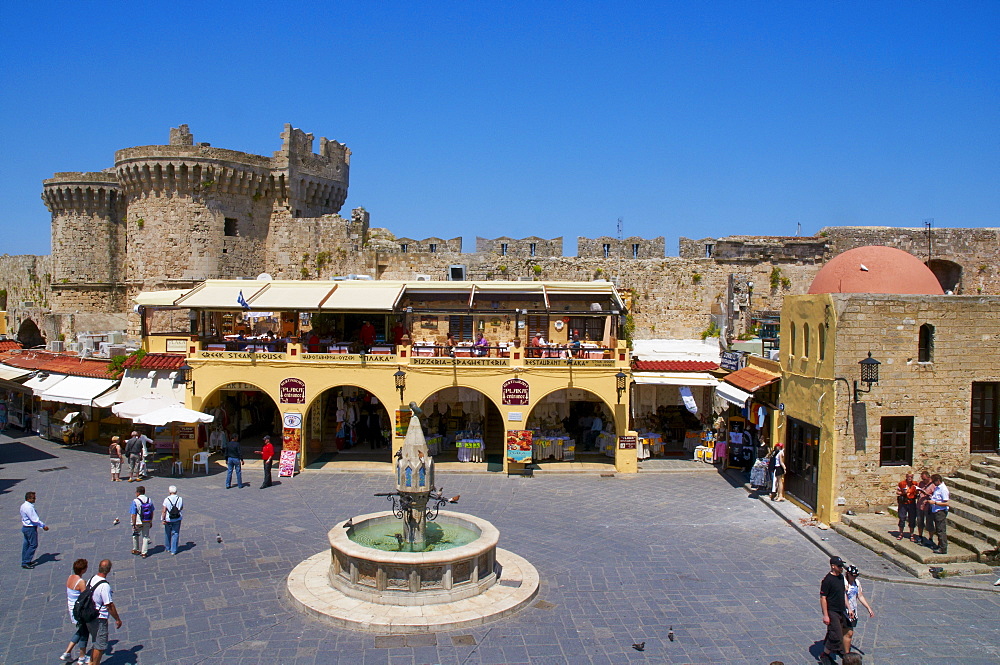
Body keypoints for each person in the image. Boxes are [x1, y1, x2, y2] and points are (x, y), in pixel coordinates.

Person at [86, 559, 122, 665]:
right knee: (100, 645)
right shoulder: (104, 586)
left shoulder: (92, 578)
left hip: (89, 615)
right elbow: (109, 605)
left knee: (96, 641)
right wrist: (117, 619)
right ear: (109, 570)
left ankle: (91, 662)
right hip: (99, 618)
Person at [818, 556, 849, 665]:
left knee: (835, 631)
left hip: (841, 610)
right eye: (840, 566)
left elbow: (843, 593)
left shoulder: (840, 577)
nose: (842, 568)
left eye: (842, 566)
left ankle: (836, 649)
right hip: (832, 611)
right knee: (836, 635)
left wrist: (848, 607)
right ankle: (825, 654)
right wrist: (826, 615)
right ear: (833, 566)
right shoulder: (827, 580)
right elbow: (823, 598)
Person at [59, 558, 90, 663]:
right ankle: (82, 657)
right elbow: (86, 597)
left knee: (80, 631)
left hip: (72, 609)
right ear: (83, 570)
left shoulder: (70, 578)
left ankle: (67, 653)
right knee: (84, 633)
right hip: (79, 611)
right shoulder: (81, 582)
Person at [843, 564, 874, 655]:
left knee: (844, 632)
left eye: (856, 576)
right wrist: (849, 608)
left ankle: (842, 648)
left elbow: (860, 595)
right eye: (853, 576)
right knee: (849, 633)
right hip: (844, 611)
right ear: (848, 574)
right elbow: (843, 596)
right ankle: (846, 654)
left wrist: (868, 608)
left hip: (853, 610)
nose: (854, 577)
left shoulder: (857, 583)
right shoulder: (844, 583)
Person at [19, 491, 48, 569]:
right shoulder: (29, 507)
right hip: (30, 528)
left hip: (25, 527)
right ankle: (26, 561)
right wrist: (43, 526)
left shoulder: (23, 505)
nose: (35, 499)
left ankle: (25, 560)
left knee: (26, 544)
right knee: (33, 544)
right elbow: (35, 519)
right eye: (33, 498)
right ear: (29, 499)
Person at [928, 473, 950, 554]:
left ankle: (943, 548)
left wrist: (934, 502)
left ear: (938, 480)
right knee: (938, 529)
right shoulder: (937, 488)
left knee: (941, 530)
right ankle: (940, 545)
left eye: (934, 482)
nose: (933, 483)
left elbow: (946, 503)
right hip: (935, 511)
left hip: (940, 512)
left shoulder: (943, 489)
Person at [130, 486, 153, 558]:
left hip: (138, 521)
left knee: (135, 535)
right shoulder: (149, 500)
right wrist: (150, 521)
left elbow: (133, 514)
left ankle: (136, 549)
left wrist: (133, 524)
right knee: (145, 536)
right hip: (147, 520)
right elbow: (152, 511)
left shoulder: (135, 501)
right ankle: (144, 552)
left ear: (138, 493)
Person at [895, 472, 918, 540]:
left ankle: (911, 534)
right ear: (906, 477)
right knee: (902, 518)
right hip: (903, 503)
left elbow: (917, 492)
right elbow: (897, 491)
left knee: (912, 518)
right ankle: (901, 533)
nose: (910, 478)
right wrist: (903, 493)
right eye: (908, 477)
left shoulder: (915, 484)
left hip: (912, 502)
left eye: (911, 477)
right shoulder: (902, 483)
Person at [914, 470, 935, 546]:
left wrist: (926, 494)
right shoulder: (921, 484)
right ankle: (920, 536)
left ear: (929, 477)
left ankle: (931, 538)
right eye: (922, 479)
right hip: (920, 505)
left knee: (929, 523)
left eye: (925, 479)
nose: (923, 481)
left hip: (928, 507)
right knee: (920, 522)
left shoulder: (933, 485)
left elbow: (935, 497)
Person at [161, 485, 183, 555]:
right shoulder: (180, 499)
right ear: (176, 491)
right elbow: (181, 507)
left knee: (167, 533)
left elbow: (164, 511)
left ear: (169, 491)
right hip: (177, 518)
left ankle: (168, 548)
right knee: (175, 533)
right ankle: (174, 550)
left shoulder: (166, 499)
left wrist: (163, 519)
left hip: (168, 519)